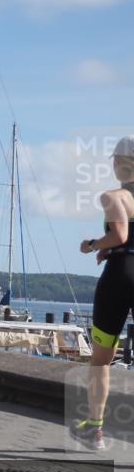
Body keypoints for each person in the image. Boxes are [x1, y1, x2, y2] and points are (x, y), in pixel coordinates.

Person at [71, 135, 134, 450]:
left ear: (120, 163)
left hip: (119, 279)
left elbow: (121, 234)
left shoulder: (114, 197)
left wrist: (94, 245)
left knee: (101, 359)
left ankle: (95, 429)